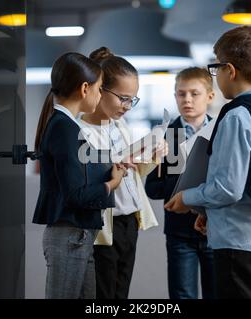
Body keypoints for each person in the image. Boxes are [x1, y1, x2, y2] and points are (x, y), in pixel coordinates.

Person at [165, 26, 251, 299]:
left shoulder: (236, 116)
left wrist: (188, 197)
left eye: (216, 69)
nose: (216, 78)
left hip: (236, 247)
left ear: (230, 70)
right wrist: (208, 213)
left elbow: (228, 188)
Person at [32, 52, 126, 299]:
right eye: (99, 88)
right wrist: (110, 184)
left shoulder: (66, 125)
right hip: (69, 235)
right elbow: (75, 193)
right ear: (85, 88)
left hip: (78, 234)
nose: (100, 95)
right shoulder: (65, 128)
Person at [78, 46, 165, 299]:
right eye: (123, 98)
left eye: (132, 99)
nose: (128, 106)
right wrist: (118, 162)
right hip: (105, 226)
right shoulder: (81, 130)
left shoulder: (119, 124)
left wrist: (151, 156)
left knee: (121, 293)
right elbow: (92, 181)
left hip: (130, 220)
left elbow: (133, 174)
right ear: (99, 88)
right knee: (103, 294)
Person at [145, 67, 216, 299]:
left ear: (210, 96)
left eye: (194, 93)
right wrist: (158, 163)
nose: (187, 100)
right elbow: (152, 190)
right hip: (179, 232)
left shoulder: (222, 130)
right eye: (181, 93)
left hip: (215, 229)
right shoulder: (164, 135)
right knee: (182, 295)